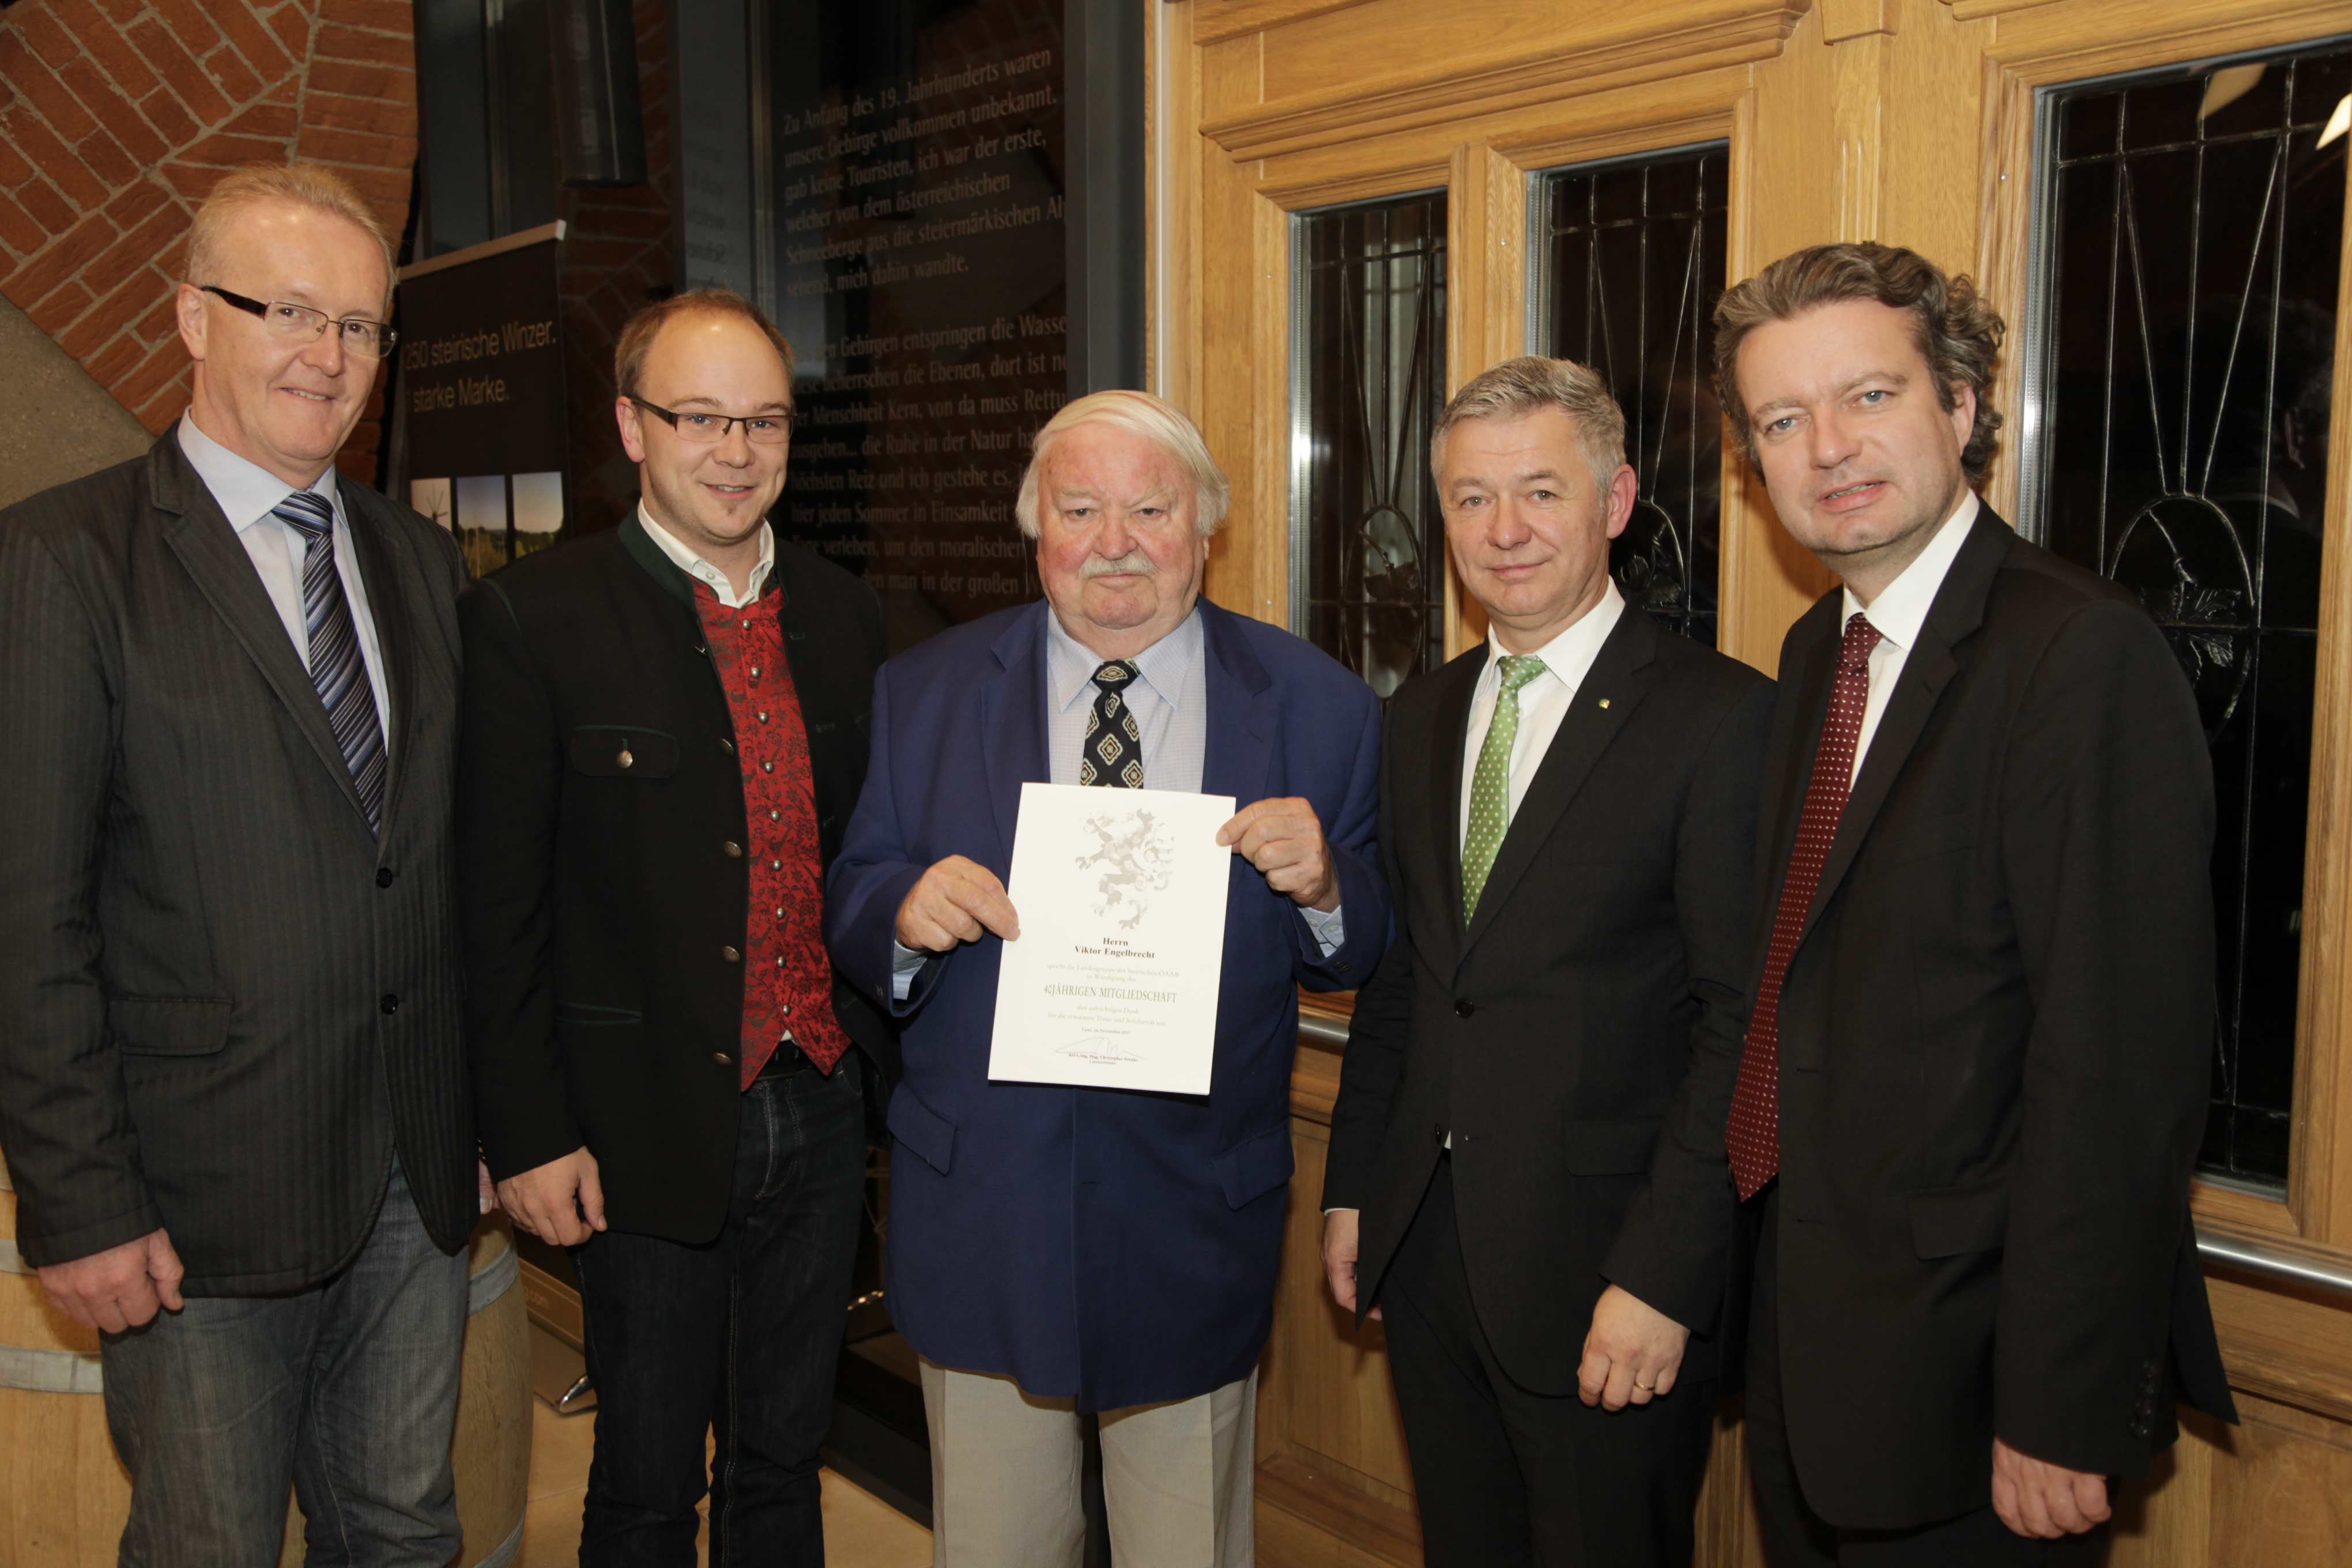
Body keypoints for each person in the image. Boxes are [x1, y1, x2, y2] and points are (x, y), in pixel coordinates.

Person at [1712, 241, 2237, 1565]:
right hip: (1807, 1342)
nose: (1829, 446)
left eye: (1869, 396)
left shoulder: (2078, 652)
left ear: (1960, 405)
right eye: (1783, 420)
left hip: (1982, 1380)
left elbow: (2118, 1071)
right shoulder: (1817, 650)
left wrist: (2062, 1406)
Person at [0, 162, 478, 1565]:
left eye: (361, 326)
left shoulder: (421, 561)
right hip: (195, 1200)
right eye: (291, 311)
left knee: (404, 1534)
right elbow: (28, 915)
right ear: (192, 317)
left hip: (412, 1178)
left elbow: (441, 869)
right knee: (207, 1544)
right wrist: (81, 1200)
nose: (328, 355)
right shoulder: (66, 558)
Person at [824, 389, 1389, 1567]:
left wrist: (1329, 886)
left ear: (1207, 526)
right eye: (1080, 510)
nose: (1114, 542)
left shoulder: (1319, 704)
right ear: (1037, 529)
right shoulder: (924, 690)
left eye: (1151, 509)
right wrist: (903, 914)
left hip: (1193, 1218)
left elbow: (1363, 943)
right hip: (987, 1211)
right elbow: (859, 882)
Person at [458, 289, 893, 1566]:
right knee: (647, 1480)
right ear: (631, 426)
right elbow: (494, 910)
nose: (736, 451)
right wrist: (527, 1132)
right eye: (700, 417)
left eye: (765, 420)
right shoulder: (534, 620)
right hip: (634, 1121)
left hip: (821, 1109)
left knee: (784, 1462)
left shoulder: (847, 615)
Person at [1320, 356, 1773, 1568]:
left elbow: (1742, 1026)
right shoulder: (1420, 714)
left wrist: (1666, 1276)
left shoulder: (1721, 718)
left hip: (1607, 1279)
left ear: (1615, 502)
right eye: (1471, 498)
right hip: (1428, 1257)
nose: (1503, 530)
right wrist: (1356, 1187)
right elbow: (1409, 982)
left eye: (1539, 492)